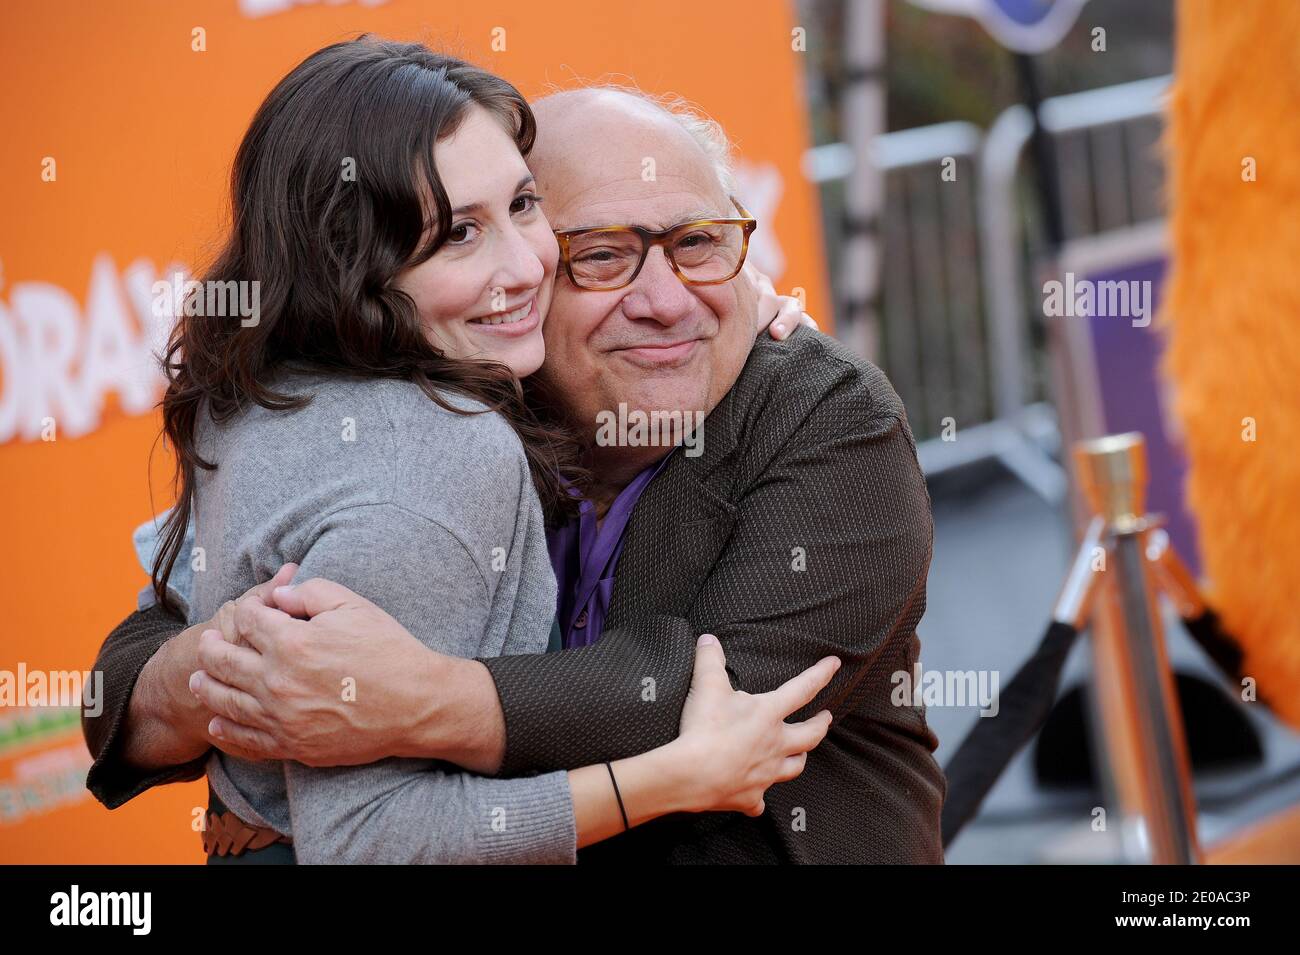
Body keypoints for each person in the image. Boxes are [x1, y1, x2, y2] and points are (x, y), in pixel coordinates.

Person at [86, 64, 946, 865]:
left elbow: (706, 699)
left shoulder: (832, 417)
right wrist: (254, 673)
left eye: (698, 242)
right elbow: (122, 680)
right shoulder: (471, 392)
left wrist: (417, 699)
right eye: (603, 254)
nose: (664, 300)